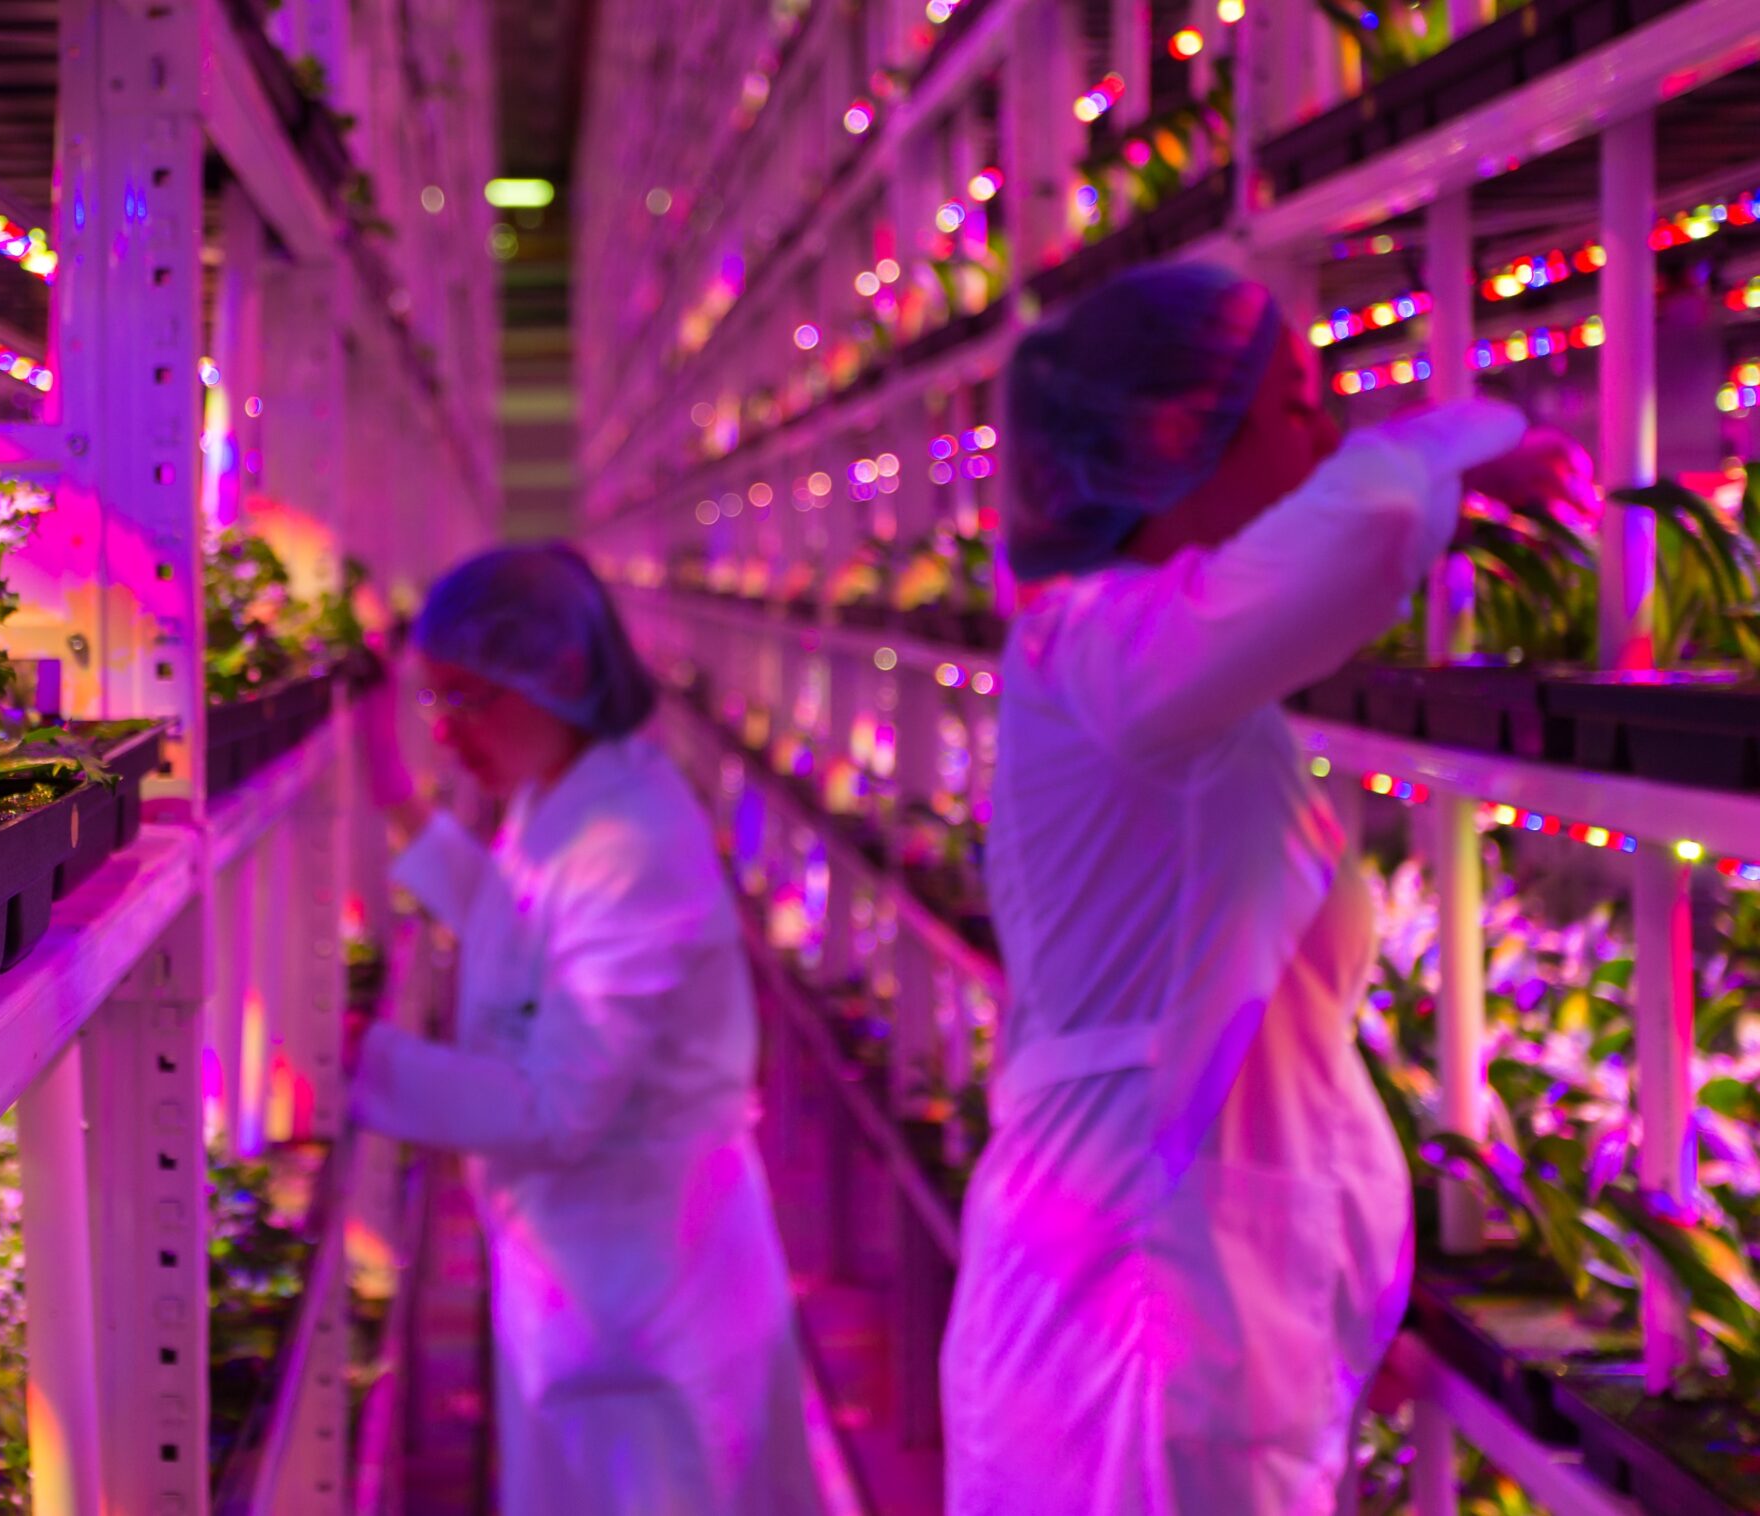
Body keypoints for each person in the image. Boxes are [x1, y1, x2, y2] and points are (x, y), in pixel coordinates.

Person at [939, 262, 1592, 1514]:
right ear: (1176, 439)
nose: (1326, 432)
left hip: (1175, 1321)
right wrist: (1466, 442)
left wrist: (1349, 1304)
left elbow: (1262, 1054)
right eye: (1297, 400)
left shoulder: (1169, 686)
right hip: (1128, 1341)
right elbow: (1354, 531)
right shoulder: (1106, 654)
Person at [347, 543, 827, 1516]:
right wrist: (397, 796)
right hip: (596, 1278)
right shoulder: (563, 797)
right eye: (430, 702)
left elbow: (557, 1103)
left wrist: (360, 1058)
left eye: (468, 700)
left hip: (647, 1303)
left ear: (559, 674)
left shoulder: (629, 840)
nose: (445, 734)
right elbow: (522, 930)